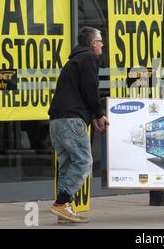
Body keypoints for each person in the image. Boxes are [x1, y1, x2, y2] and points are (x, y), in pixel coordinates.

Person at [48, 26, 109, 223]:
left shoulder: (74, 60)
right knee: (84, 162)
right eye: (100, 40)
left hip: (57, 121)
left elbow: (80, 91)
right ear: (93, 43)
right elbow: (90, 88)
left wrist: (91, 116)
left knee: (67, 165)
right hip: (72, 121)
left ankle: (65, 212)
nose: (102, 44)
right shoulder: (90, 57)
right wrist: (99, 114)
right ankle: (61, 203)